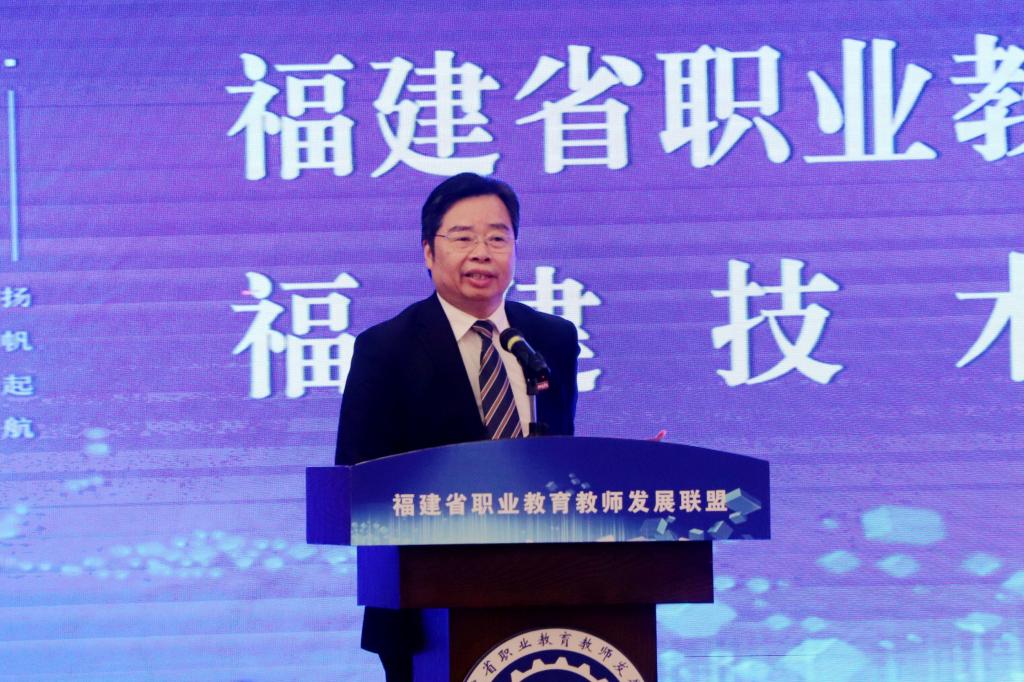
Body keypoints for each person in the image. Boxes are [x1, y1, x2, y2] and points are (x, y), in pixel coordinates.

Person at [335, 172, 580, 681]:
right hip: (423, 610)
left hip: (546, 595)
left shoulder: (551, 340)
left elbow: (557, 465)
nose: (482, 253)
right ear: (428, 252)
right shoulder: (387, 349)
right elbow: (357, 480)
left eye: (498, 238)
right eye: (463, 237)